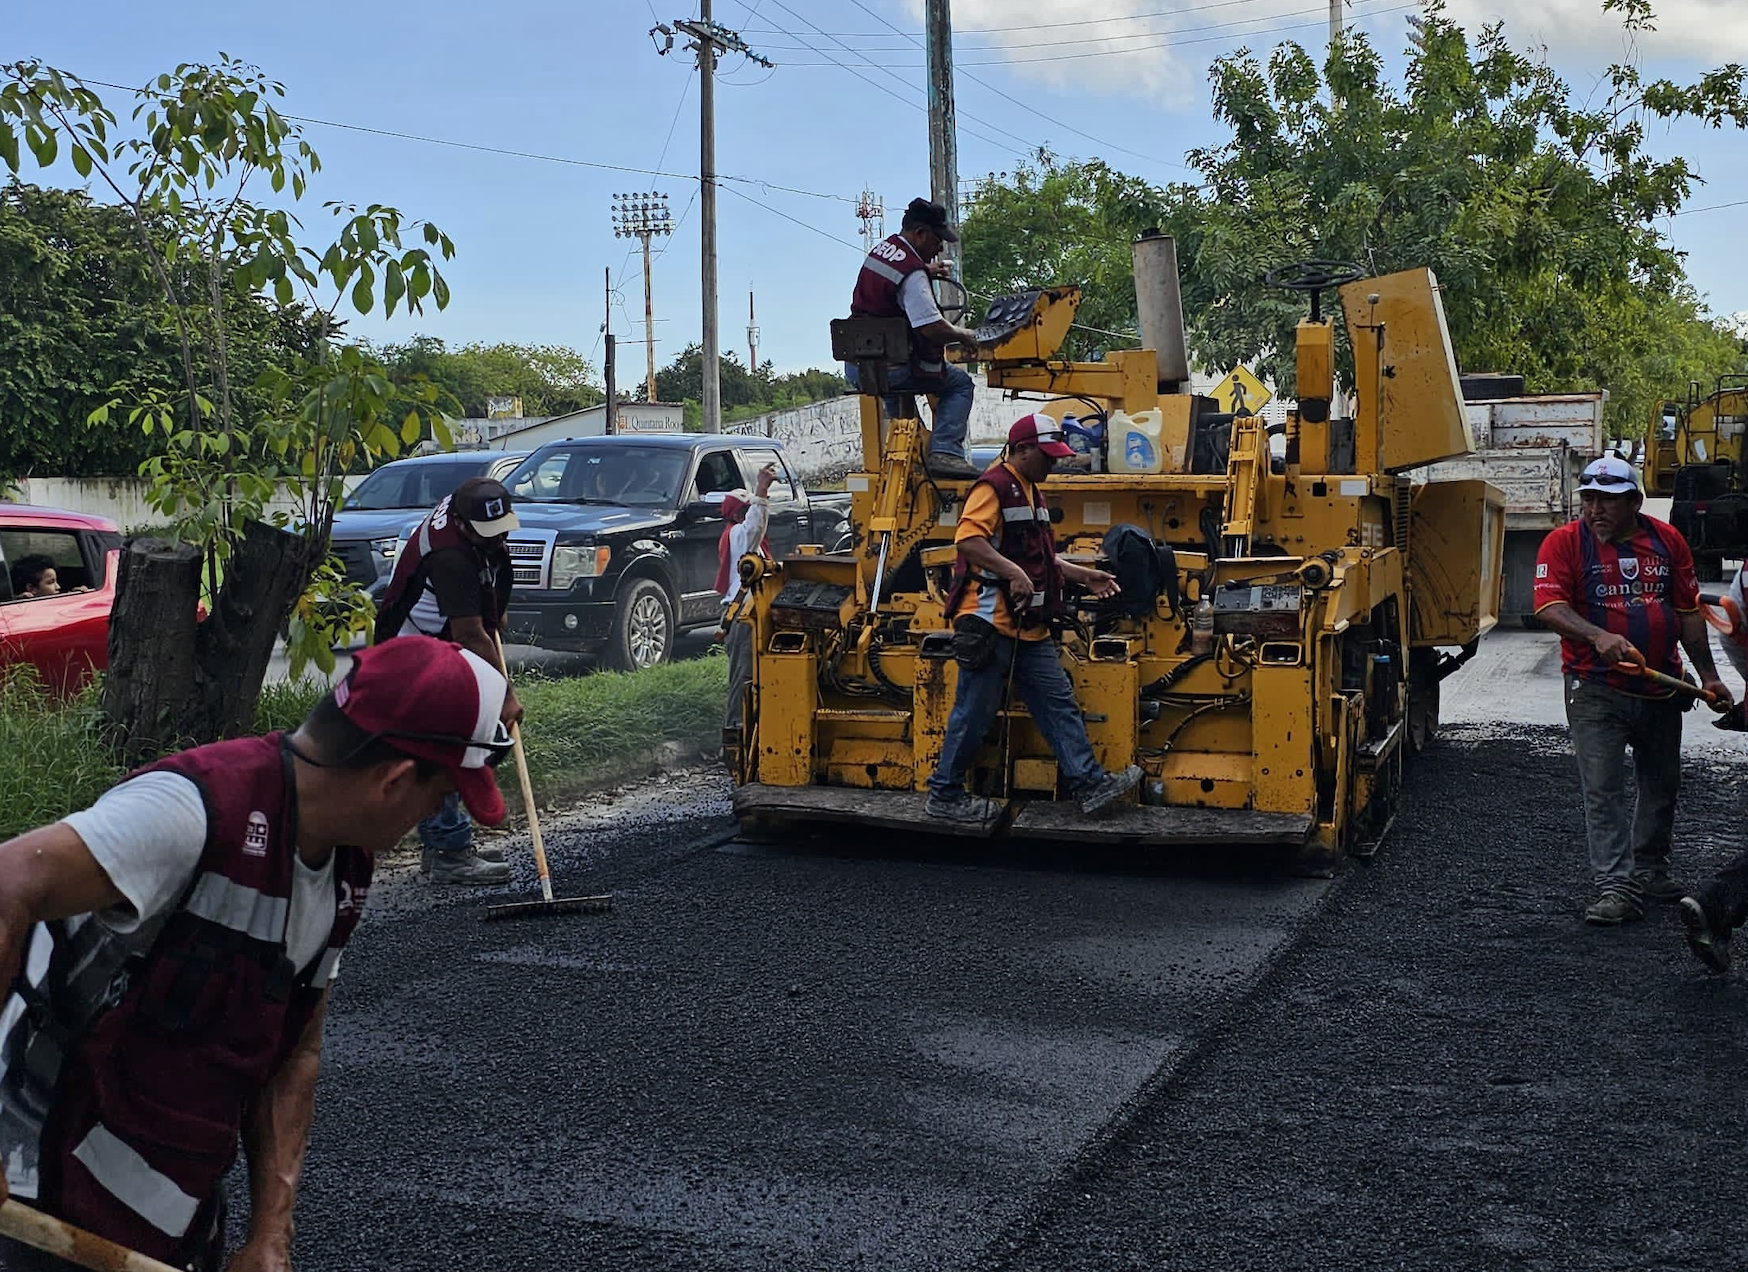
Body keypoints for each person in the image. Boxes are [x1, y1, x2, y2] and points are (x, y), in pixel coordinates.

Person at [0, 635, 514, 1271]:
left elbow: (294, 1049)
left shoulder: (344, 867)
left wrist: (271, 1233)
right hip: (31, 1195)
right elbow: (9, 880)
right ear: (395, 779)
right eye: (439, 799)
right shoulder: (191, 812)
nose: (432, 815)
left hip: (163, 1215)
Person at [1532, 454, 1732, 926]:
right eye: (1590, 499)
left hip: (1661, 685)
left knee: (1662, 782)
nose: (1596, 509)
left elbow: (1687, 613)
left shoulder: (1667, 542)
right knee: (1603, 789)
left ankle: (1649, 870)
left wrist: (1708, 677)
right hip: (1595, 688)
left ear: (1636, 502)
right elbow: (1548, 607)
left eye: (1609, 500)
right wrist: (1596, 636)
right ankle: (1616, 887)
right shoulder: (1563, 544)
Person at [926, 412, 1144, 823]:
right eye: (1046, 456)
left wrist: (1083, 574)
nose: (1053, 464)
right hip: (989, 622)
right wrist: (1013, 573)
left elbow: (1038, 557)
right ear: (1021, 450)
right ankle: (945, 795)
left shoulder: (1029, 490)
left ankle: (1090, 785)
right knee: (973, 713)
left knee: (1058, 704)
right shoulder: (993, 487)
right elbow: (968, 540)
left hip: (1028, 626)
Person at [375, 476, 524, 885]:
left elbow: (494, 564)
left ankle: (443, 842)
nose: (496, 540)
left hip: (441, 641)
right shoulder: (450, 558)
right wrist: (505, 695)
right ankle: (447, 850)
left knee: (453, 738)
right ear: (461, 525)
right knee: (447, 740)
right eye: (487, 535)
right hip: (412, 653)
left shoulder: (470, 517)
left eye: (501, 532)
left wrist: (497, 609)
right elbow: (470, 634)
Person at [845, 196, 983, 481]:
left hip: (861, 366)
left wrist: (926, 270)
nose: (940, 247)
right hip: (894, 369)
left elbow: (893, 282)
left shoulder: (883, 251)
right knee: (960, 384)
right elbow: (931, 328)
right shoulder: (913, 275)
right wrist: (964, 335)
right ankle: (945, 452)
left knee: (900, 396)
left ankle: (915, 453)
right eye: (936, 240)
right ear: (920, 233)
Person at [718, 462, 776, 746]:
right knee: (744, 678)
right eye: (749, 507)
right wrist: (762, 490)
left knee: (751, 677)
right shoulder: (740, 536)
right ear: (740, 513)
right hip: (742, 614)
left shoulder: (739, 538)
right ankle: (736, 736)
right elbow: (755, 525)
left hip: (745, 612)